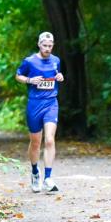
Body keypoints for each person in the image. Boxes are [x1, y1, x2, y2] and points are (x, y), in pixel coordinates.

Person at [15, 32, 64, 193]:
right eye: (45, 45)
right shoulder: (29, 61)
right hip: (35, 104)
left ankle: (48, 178)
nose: (47, 49)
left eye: (50, 46)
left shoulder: (56, 60)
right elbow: (18, 76)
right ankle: (35, 172)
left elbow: (56, 75)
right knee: (36, 142)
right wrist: (29, 80)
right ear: (39, 44)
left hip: (51, 103)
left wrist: (60, 76)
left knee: (49, 139)